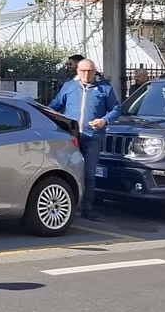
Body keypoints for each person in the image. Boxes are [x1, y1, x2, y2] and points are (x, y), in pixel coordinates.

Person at [48, 58, 121, 221]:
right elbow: (54, 106)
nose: (86, 74)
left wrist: (104, 120)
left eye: (90, 71)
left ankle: (87, 208)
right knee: (67, 172)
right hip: (71, 137)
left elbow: (116, 110)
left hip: (93, 137)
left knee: (89, 174)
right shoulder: (69, 87)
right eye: (83, 71)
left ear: (95, 71)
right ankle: (68, 206)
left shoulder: (104, 88)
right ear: (77, 71)